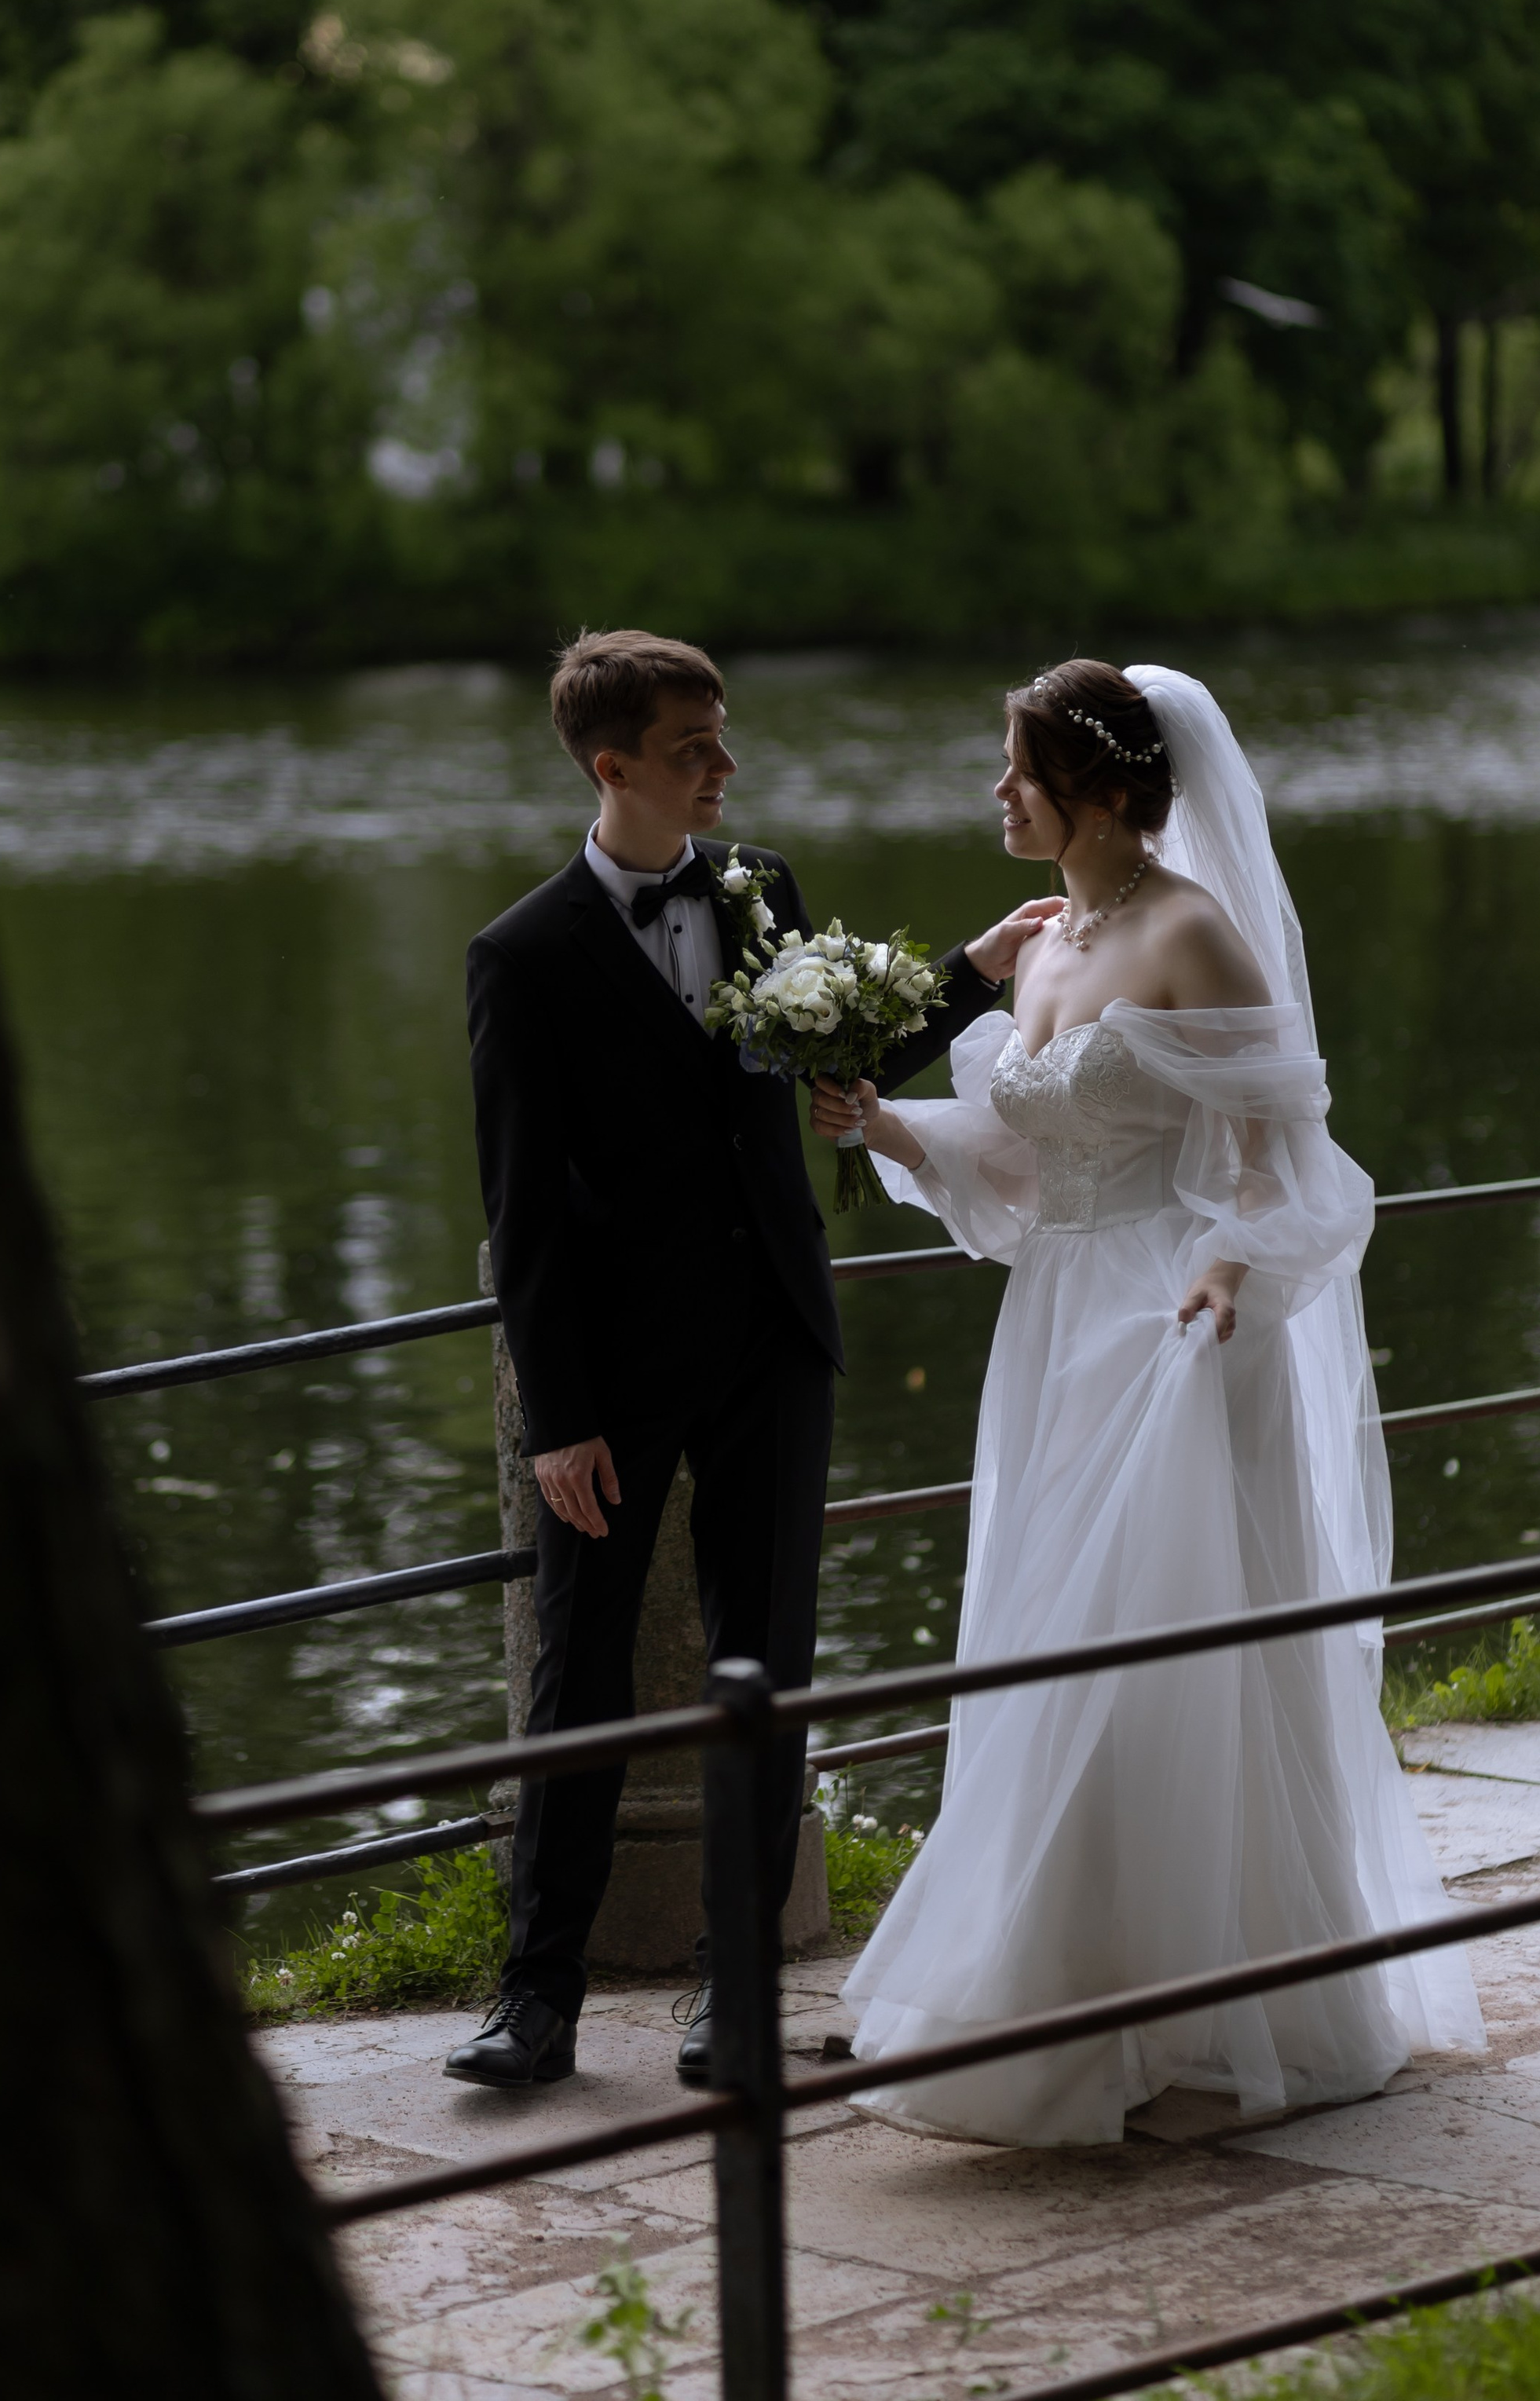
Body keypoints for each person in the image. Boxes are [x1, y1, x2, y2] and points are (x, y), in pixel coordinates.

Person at [809, 659, 1485, 2147]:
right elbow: (1025, 1156)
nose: (998, 794)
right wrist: (891, 1132)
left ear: (1106, 789)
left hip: (1170, 1320)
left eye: (1020, 770)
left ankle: (1224, 2008)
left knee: (1161, 1648)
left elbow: (1280, 1157)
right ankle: (1066, 1987)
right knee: (1045, 1636)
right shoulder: (1050, 943)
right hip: (1054, 1321)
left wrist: (1235, 1272)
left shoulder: (1194, 932)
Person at [445, 629, 1055, 2091]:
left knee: (763, 1669)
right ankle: (537, 1999)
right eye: (692, 749)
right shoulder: (520, 959)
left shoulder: (757, 887)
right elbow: (519, 1212)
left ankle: (734, 1989)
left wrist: (971, 971)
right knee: (578, 1678)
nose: (725, 768)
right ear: (614, 769)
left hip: (775, 1341)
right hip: (616, 1377)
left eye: (722, 739)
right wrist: (558, 1416)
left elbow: (843, 1056)